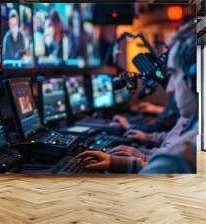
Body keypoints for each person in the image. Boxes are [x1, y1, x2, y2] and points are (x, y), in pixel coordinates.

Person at [75, 22, 197, 173]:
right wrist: (138, 157)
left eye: (174, 74)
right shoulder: (195, 126)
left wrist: (131, 160)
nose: (170, 88)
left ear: (195, 79)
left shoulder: (182, 155)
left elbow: (168, 165)